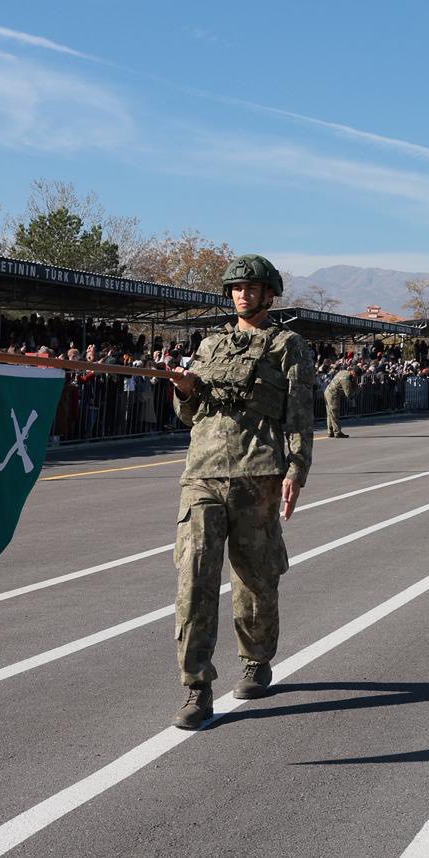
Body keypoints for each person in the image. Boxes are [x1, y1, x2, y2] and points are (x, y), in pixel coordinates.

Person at [169, 254, 316, 730]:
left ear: (269, 294)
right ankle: (196, 686)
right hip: (203, 473)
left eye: (251, 287)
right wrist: (184, 390)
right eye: (236, 288)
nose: (242, 294)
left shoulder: (287, 345)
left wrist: (296, 469)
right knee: (195, 577)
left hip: (259, 473)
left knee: (256, 578)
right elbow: (189, 415)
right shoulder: (210, 344)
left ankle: (256, 659)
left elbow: (299, 412)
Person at [324, 361, 358, 438]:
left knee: (330, 413)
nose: (356, 377)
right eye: (356, 375)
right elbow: (348, 394)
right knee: (334, 413)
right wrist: (357, 389)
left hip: (328, 392)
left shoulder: (344, 372)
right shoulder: (346, 379)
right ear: (353, 372)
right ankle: (337, 432)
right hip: (333, 395)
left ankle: (330, 431)